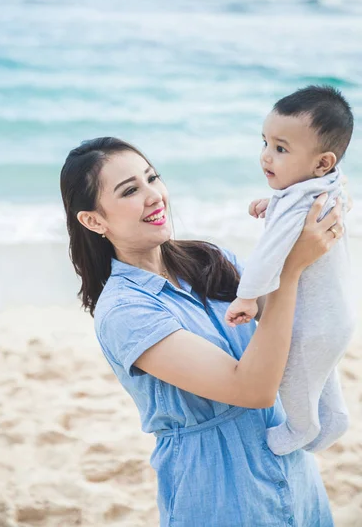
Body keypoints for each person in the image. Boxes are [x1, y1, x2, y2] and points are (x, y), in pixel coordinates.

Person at [60, 136, 344, 527]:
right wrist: (290, 270)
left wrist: (298, 214)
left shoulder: (210, 258)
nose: (154, 196)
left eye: (152, 178)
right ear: (94, 220)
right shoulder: (124, 311)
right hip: (218, 488)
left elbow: (293, 317)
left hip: (294, 474)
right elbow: (253, 389)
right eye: (130, 190)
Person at [225, 86, 355, 457]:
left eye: (281, 149)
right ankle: (334, 418)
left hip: (311, 323)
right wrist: (275, 201)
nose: (266, 157)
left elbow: (266, 255)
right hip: (337, 316)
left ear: (322, 162)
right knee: (319, 373)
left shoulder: (295, 205)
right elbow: (305, 201)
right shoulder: (329, 185)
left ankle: (301, 426)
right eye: (265, 143)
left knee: (293, 375)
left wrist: (247, 297)